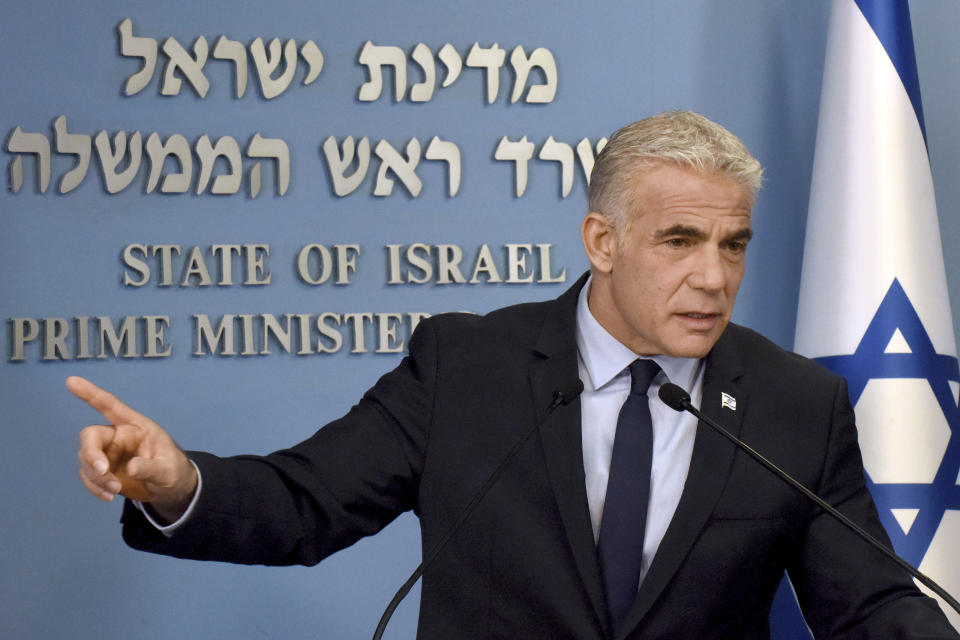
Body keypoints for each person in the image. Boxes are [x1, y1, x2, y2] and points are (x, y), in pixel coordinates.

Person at [72, 111, 959, 639]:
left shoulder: (795, 402)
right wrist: (179, 481)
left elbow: (873, 608)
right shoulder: (467, 367)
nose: (715, 276)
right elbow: (306, 502)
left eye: (733, 245)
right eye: (680, 241)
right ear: (602, 242)